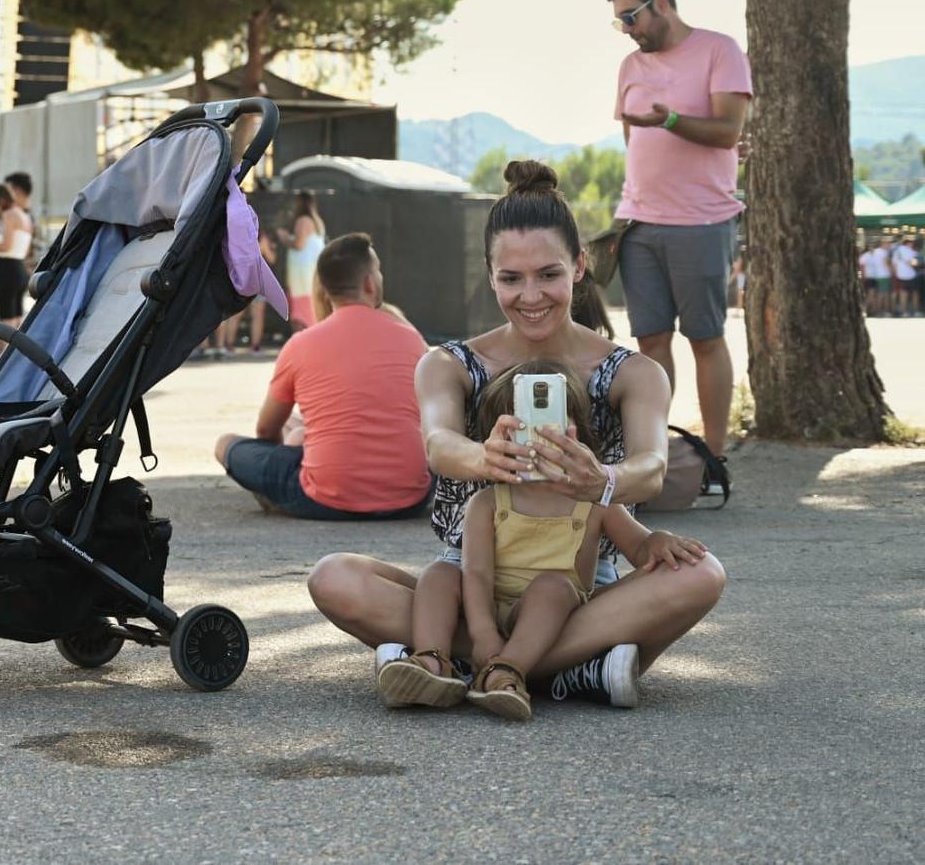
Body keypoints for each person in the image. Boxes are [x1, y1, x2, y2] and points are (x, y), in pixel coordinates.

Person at [306, 160, 726, 710]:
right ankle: (571, 670)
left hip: (575, 588)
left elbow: (652, 467)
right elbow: (438, 445)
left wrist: (601, 479)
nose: (531, 296)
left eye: (548, 274)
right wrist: (486, 458)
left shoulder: (635, 373)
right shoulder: (448, 363)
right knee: (334, 577)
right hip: (469, 580)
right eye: (512, 278)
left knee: (701, 576)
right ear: (490, 274)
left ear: (578, 267)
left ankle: (453, 663)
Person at [379, 359, 711, 719]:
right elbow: (475, 575)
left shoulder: (595, 501)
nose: (537, 437)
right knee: (440, 573)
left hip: (556, 614)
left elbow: (639, 547)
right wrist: (484, 632)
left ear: (578, 434)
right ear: (496, 440)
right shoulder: (487, 502)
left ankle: (507, 670)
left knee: (551, 587)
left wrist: (657, 540)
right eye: (519, 428)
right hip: (491, 604)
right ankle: (431, 662)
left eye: (547, 423)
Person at [608, 0, 752, 458]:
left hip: (701, 223)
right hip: (639, 224)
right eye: (619, 23)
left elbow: (729, 132)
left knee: (705, 339)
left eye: (631, 16)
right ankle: (655, 457)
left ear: (662, 4)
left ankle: (714, 457)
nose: (627, 29)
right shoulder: (629, 66)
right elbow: (633, 141)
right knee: (649, 345)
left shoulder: (720, 50)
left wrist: (669, 119)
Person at [214, 233, 432, 520]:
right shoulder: (412, 340)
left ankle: (287, 487)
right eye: (377, 271)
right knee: (299, 428)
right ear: (369, 282)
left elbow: (266, 431)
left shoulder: (300, 344)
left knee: (226, 445)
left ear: (325, 288)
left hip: (326, 499)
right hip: (410, 498)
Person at [0, 182, 32, 327]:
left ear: (0, 200)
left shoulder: (9, 215)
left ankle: (5, 350)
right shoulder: (24, 216)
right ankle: (15, 350)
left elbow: (6, 245)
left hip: (7, 270)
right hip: (20, 268)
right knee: (17, 318)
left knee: (5, 320)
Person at [283, 191, 326, 330]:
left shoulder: (303, 221)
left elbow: (298, 244)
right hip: (312, 276)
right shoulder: (317, 221)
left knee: (300, 315)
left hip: (302, 277)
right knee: (312, 312)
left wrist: (284, 237)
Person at [859, 237, 894, 316]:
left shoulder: (874, 253)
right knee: (879, 294)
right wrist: (892, 271)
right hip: (876, 276)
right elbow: (862, 266)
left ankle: (872, 311)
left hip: (875, 276)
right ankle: (872, 310)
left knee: (875, 295)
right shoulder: (878, 253)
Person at [897, 235, 923, 317]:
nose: (913, 244)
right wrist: (921, 264)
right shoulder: (908, 251)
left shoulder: (898, 250)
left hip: (901, 275)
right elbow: (912, 263)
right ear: (908, 243)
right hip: (910, 275)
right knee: (915, 294)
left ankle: (904, 312)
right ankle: (915, 312)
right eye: (912, 242)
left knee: (903, 294)